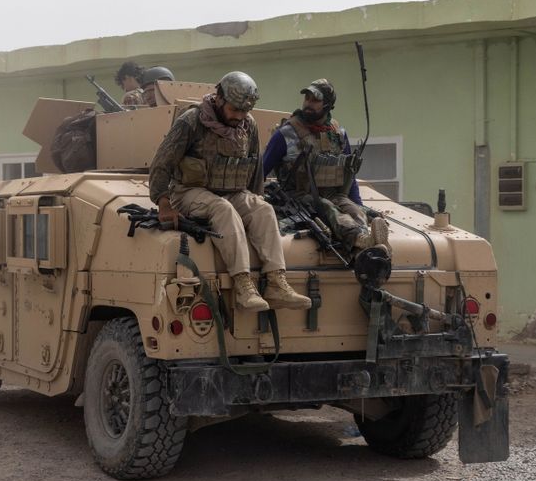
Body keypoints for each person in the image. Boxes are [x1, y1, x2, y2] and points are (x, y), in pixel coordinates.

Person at [149, 71, 312, 312]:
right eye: (234, 110)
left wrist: (255, 199)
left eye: (244, 111)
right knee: (222, 209)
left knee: (263, 209)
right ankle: (243, 286)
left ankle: (276, 283)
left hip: (232, 191)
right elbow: (162, 162)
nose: (239, 116)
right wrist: (164, 203)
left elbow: (255, 168)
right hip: (190, 191)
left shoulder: (248, 125)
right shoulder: (192, 121)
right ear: (219, 99)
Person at [262, 79, 390, 253]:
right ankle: (360, 239)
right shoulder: (286, 134)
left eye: (315, 100)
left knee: (355, 211)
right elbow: (261, 170)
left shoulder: (338, 134)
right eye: (307, 98)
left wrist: (359, 204)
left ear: (328, 105)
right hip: (298, 196)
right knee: (327, 208)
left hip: (333, 194)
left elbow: (348, 174)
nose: (308, 103)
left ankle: (369, 245)